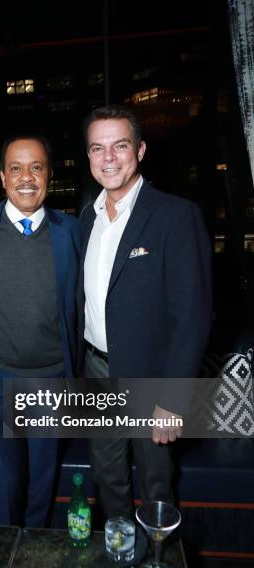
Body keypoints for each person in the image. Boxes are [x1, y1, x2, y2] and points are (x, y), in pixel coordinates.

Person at [78, 105, 212, 518]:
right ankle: (119, 557)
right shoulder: (87, 216)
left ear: (140, 150)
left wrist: (172, 400)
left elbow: (192, 316)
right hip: (96, 371)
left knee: (156, 483)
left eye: (120, 145)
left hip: (150, 376)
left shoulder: (175, 215)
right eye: (98, 148)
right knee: (108, 476)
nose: (109, 158)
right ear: (88, 157)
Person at [0, 134, 81, 527]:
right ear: (2, 178)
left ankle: (34, 563)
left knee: (42, 484)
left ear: (50, 176)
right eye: (16, 168)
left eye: (37, 167)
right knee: (4, 486)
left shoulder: (72, 231)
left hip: (51, 378)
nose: (27, 176)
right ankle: (3, 558)